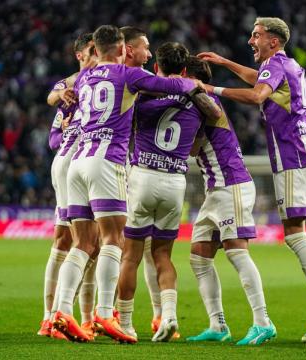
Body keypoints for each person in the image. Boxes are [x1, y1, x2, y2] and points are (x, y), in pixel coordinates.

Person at [198, 17, 306, 342]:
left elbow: (256, 95)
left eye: (256, 35)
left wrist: (213, 89)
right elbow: (259, 81)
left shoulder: (277, 64)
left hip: (293, 156)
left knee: (295, 234)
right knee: (294, 233)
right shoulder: (283, 65)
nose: (251, 40)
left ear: (273, 41)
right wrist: (224, 63)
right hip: (297, 154)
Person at [52, 25, 203, 343]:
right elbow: (167, 84)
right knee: (113, 240)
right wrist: (194, 83)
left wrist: (58, 93)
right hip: (105, 162)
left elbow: (63, 91)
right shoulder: (127, 75)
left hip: (78, 161)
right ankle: (106, 315)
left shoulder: (85, 77)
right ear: (121, 49)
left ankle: (61, 312)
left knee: (82, 244)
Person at [117, 43, 220, 342]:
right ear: (185, 70)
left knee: (131, 256)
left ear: (156, 67)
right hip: (175, 181)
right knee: (162, 254)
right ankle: (169, 316)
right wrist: (195, 89)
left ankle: (125, 324)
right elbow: (214, 115)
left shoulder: (142, 97)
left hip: (144, 177)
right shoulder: (196, 98)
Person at [183, 56, 276, 346]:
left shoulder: (205, 100)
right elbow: (194, 149)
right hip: (215, 190)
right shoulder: (195, 104)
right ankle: (218, 325)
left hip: (231, 184)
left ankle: (263, 322)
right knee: (199, 256)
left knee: (237, 252)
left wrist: (197, 89)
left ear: (185, 74)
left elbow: (210, 114)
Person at [37, 32, 97, 339]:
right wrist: (61, 95)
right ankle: (59, 315)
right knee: (80, 241)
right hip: (74, 161)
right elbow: (51, 101)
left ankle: (71, 318)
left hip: (78, 162)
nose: (97, 54)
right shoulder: (74, 83)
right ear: (80, 55)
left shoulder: (100, 81)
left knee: (78, 241)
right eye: (91, 50)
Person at [116, 26, 165, 338]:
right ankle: (113, 317)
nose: (150, 54)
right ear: (129, 50)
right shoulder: (125, 76)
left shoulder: (125, 77)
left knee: (139, 249)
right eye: (146, 48)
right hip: (115, 170)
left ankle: (158, 316)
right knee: (114, 248)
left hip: (132, 171)